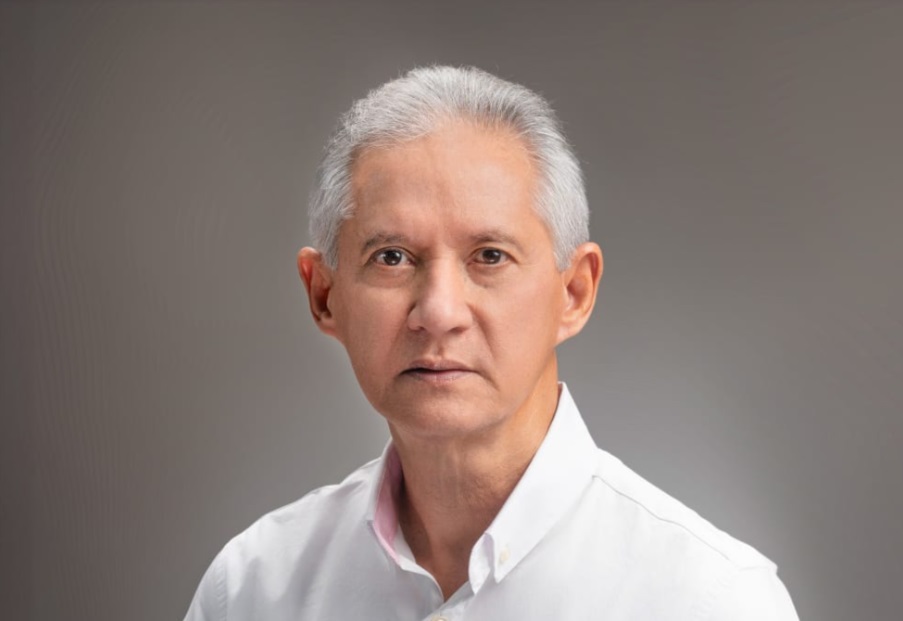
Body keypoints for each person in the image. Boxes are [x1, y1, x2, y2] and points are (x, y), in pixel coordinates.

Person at [184, 65, 799, 620]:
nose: (439, 313)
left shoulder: (710, 601)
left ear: (574, 292)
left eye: (490, 256)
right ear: (324, 296)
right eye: (392, 257)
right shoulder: (252, 592)